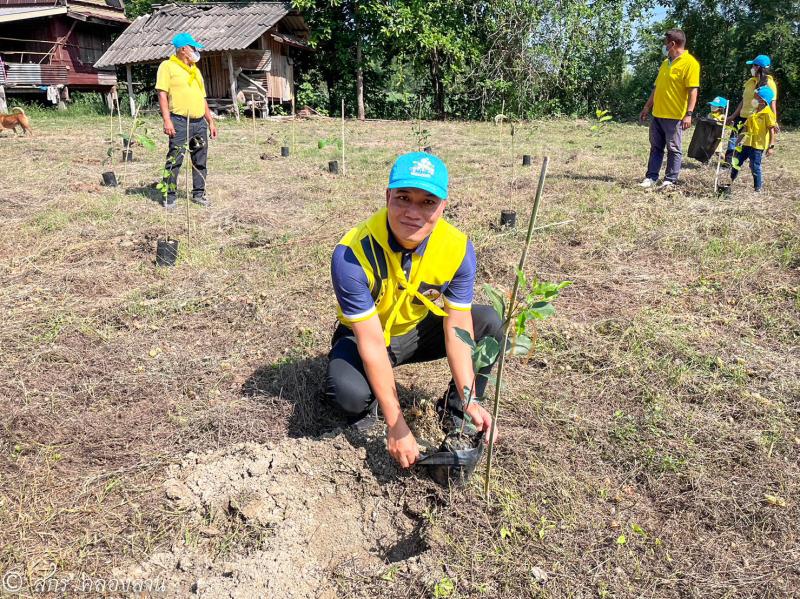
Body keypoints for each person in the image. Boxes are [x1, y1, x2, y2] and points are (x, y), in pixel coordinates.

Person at [325, 152, 502, 468]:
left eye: (427, 202)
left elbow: (458, 329)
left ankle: (459, 411)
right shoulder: (351, 254)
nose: (412, 212)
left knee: (487, 321)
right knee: (348, 395)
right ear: (387, 196)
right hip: (363, 336)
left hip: (413, 330)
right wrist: (396, 422)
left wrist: (470, 395)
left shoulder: (457, 249)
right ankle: (370, 408)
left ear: (443, 206)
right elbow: (371, 342)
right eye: (403, 198)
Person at [155, 32, 217, 209]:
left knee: (200, 159)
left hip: (199, 124)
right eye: (193, 47)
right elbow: (162, 94)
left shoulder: (195, 71)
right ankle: (169, 195)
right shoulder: (167, 67)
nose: (196, 51)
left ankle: (199, 193)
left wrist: (210, 121)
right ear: (183, 49)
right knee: (175, 159)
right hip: (180, 122)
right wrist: (167, 120)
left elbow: (202, 97)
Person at [638, 29, 701, 191]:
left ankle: (670, 180)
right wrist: (647, 106)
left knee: (674, 149)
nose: (664, 46)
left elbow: (693, 90)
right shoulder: (666, 63)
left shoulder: (690, 63)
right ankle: (651, 177)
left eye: (666, 43)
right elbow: (657, 87)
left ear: (673, 44)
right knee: (656, 147)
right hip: (657, 114)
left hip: (675, 116)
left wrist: (689, 114)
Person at [724, 55, 778, 165]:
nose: (751, 68)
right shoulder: (750, 81)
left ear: (758, 67)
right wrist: (733, 116)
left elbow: (772, 103)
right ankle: (728, 162)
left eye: (753, 65)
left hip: (756, 118)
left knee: (753, 144)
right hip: (742, 115)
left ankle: (749, 163)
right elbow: (744, 100)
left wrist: (774, 120)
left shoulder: (770, 84)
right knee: (734, 138)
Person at [729, 85, 777, 192]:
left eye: (756, 97)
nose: (753, 100)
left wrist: (771, 146)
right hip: (747, 143)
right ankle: (730, 180)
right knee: (737, 161)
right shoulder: (753, 112)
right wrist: (737, 141)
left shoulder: (768, 114)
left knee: (755, 166)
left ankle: (757, 188)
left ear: (763, 100)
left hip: (758, 146)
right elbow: (745, 128)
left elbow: (771, 131)